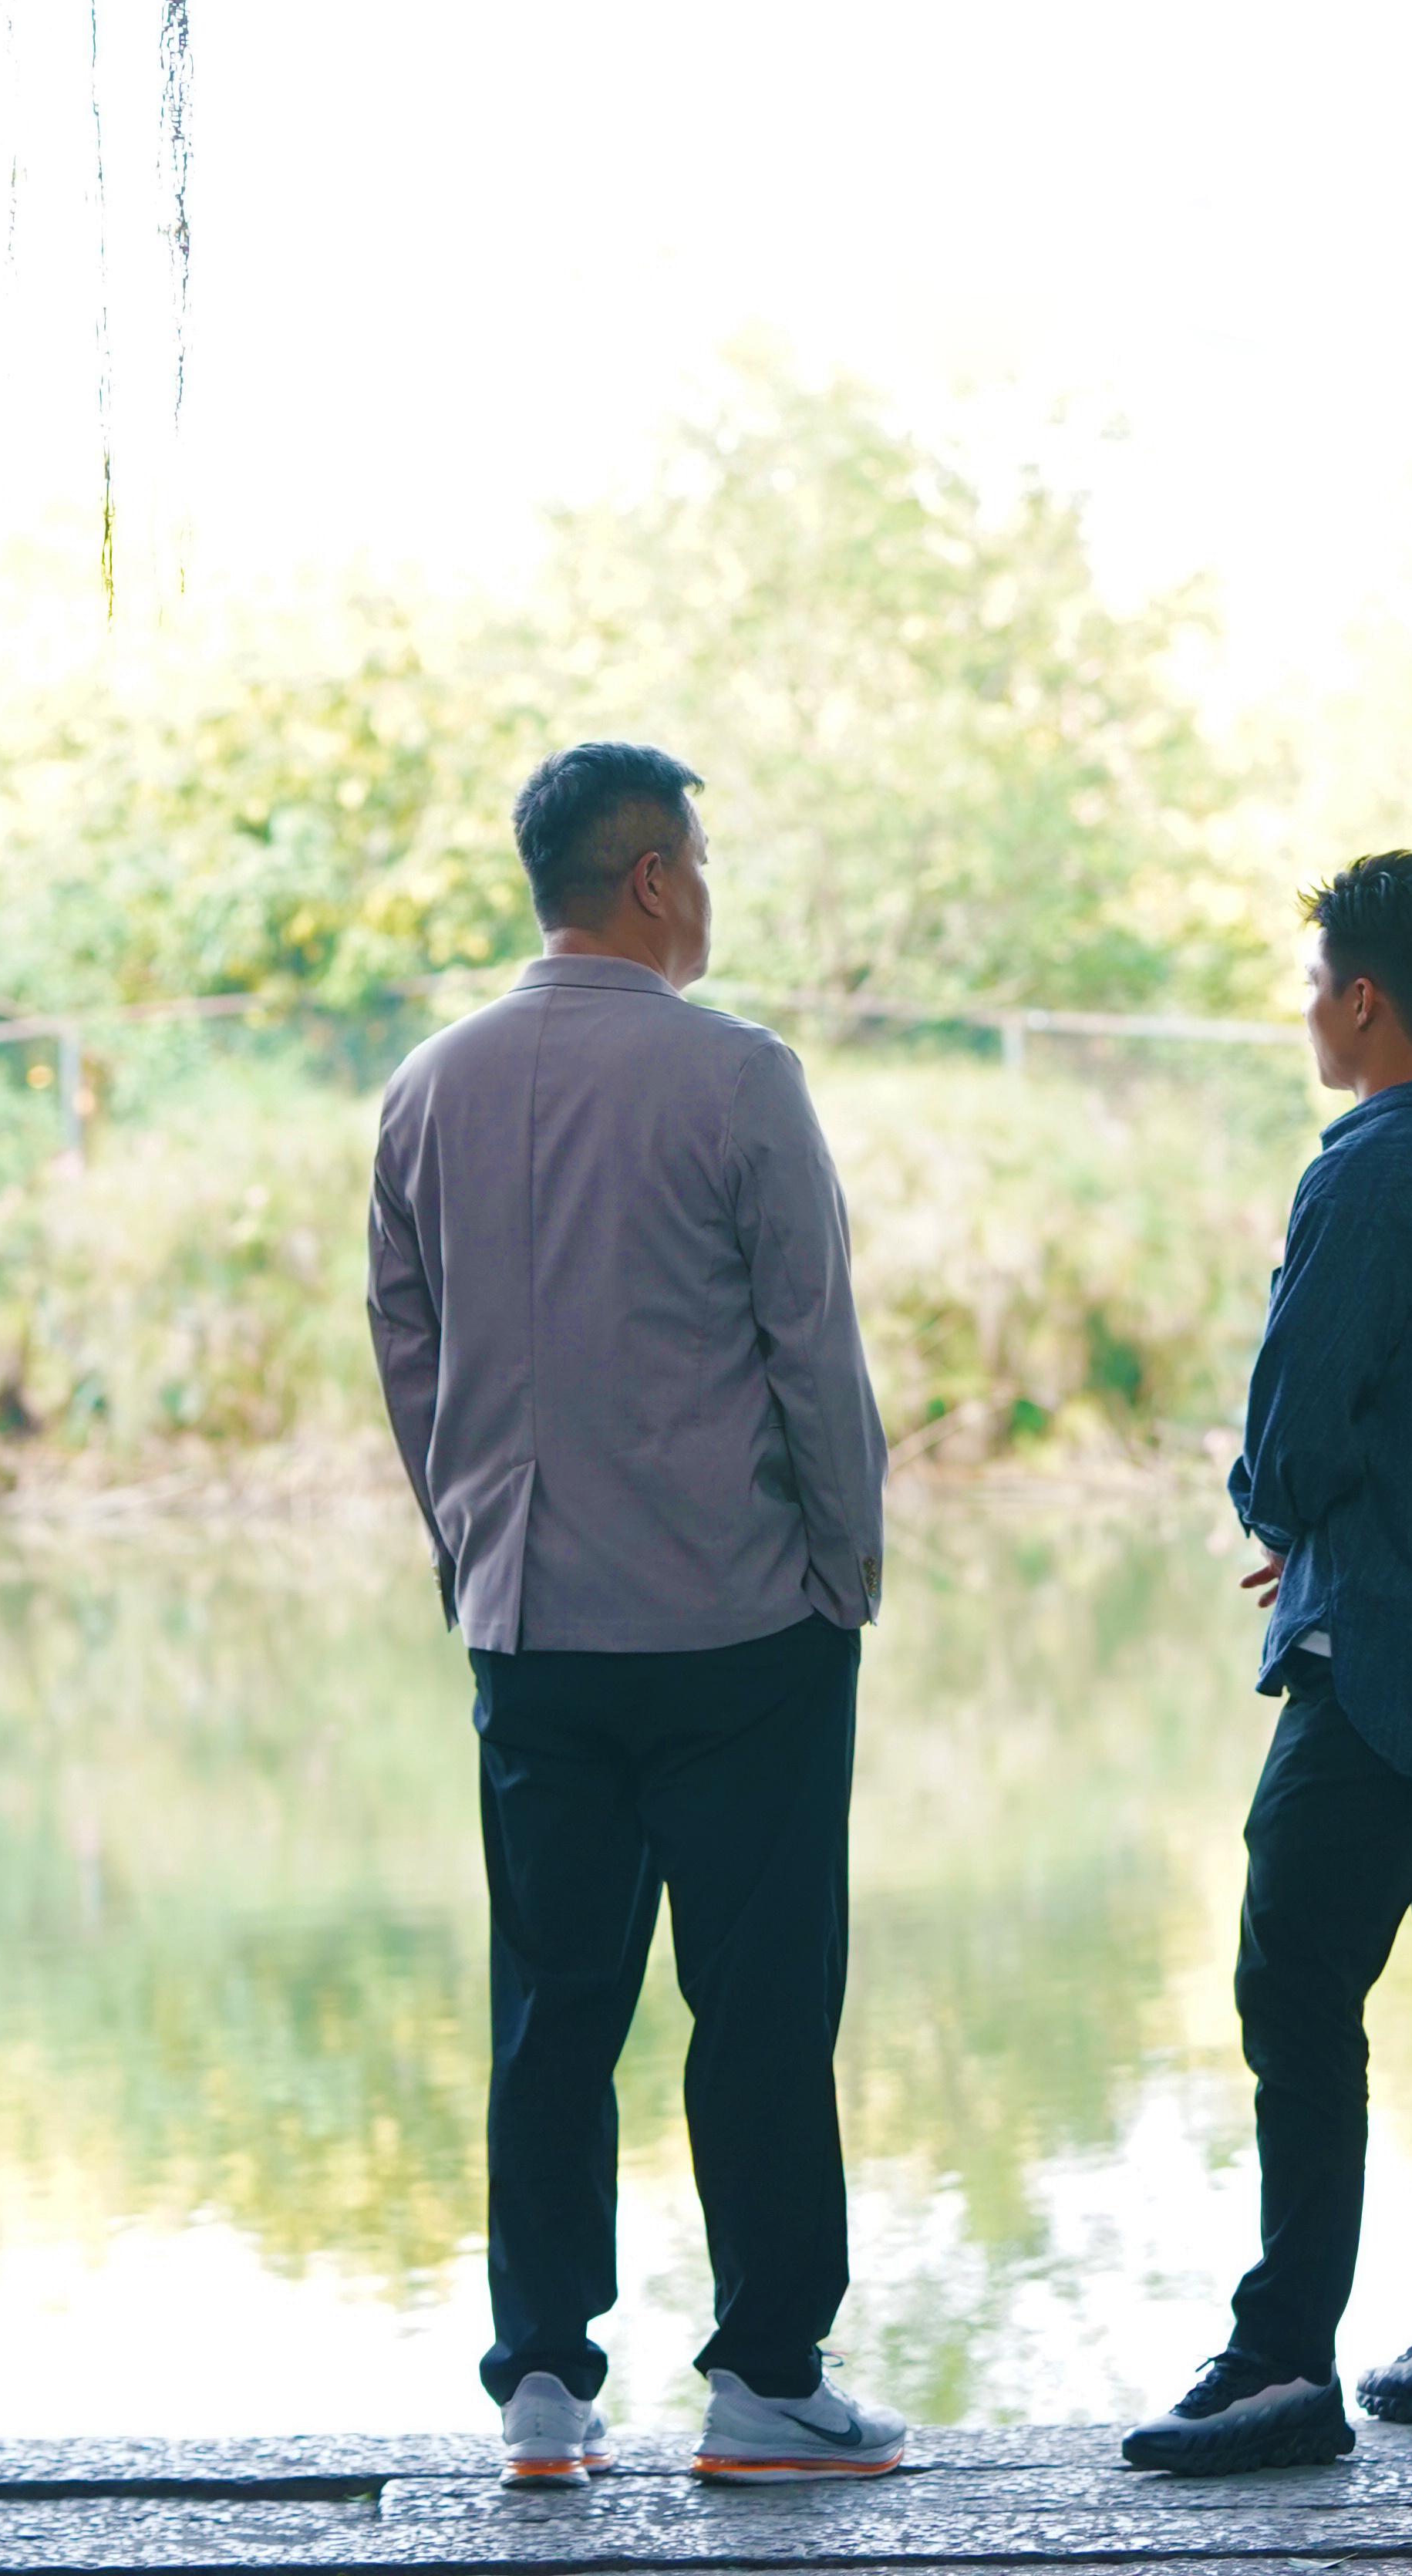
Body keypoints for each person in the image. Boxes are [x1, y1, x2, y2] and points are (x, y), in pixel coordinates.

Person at [367, 741, 905, 2490]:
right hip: (738, 1629)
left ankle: (541, 2385)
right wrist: (847, 1571)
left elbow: (410, 1350)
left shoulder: (426, 1089)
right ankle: (763, 2384)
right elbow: (810, 1354)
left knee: (553, 2007)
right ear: (656, 879)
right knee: (758, 2005)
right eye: (705, 856)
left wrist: (473, 1550)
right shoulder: (739, 1079)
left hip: (532, 1632)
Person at [1124, 851, 1412, 2479]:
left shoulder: (1363, 1174)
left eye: (1313, 977)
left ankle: (1278, 2366)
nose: (1304, 1005)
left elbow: (1292, 1426)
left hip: (1383, 1672)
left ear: (1366, 998)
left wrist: (1280, 1513)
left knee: (1293, 1990)